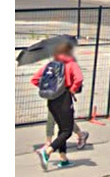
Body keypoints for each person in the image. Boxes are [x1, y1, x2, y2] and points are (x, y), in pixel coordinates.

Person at [33, 38, 85, 170]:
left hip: (51, 100)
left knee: (62, 129)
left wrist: (49, 88)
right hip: (64, 98)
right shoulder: (71, 63)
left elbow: (34, 79)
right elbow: (79, 79)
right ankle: (48, 151)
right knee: (67, 131)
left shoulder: (51, 64)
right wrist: (72, 90)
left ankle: (63, 159)